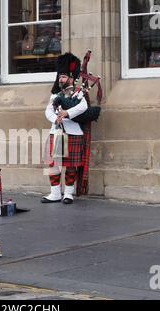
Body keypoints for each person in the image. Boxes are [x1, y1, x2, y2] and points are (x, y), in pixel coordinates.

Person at [42, 53, 88, 205]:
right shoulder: (55, 94)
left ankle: (68, 194)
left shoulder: (78, 93)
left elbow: (84, 106)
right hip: (56, 131)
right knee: (54, 164)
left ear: (71, 77)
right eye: (59, 77)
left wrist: (67, 113)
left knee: (70, 165)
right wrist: (56, 118)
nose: (60, 80)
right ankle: (55, 193)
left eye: (63, 77)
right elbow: (48, 111)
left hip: (73, 131)